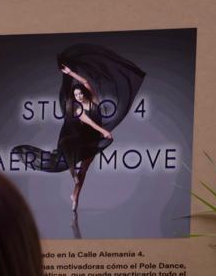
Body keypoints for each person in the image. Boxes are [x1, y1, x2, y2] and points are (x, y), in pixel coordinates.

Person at [11, 44, 146, 238]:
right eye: (75, 94)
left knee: (85, 171)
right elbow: (89, 122)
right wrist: (104, 132)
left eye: (79, 93)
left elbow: (86, 82)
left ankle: (75, 196)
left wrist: (71, 72)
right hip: (78, 137)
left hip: (91, 140)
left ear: (83, 92)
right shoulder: (76, 109)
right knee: (73, 160)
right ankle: (73, 174)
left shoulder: (94, 100)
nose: (78, 95)